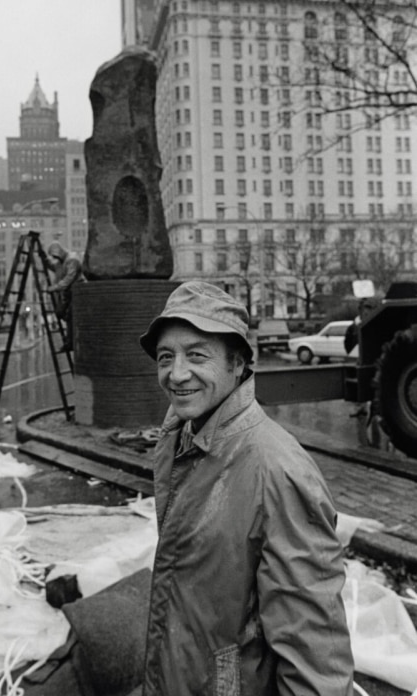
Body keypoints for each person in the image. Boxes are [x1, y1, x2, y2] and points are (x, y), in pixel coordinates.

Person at [139, 280, 354, 695]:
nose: (176, 374)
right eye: (166, 357)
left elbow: (314, 655)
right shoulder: (182, 440)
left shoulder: (276, 471)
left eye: (196, 355)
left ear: (237, 364)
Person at [45, 240, 84, 352]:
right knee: (60, 312)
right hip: (67, 294)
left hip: (77, 292)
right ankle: (70, 338)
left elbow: (68, 279)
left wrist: (55, 287)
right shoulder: (61, 262)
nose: (55, 258)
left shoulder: (72, 260)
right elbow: (54, 267)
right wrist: (44, 259)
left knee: (71, 316)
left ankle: (71, 342)